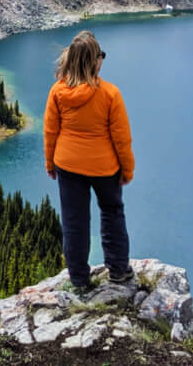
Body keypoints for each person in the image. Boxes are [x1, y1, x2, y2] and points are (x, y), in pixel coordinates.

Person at [43, 29, 134, 293]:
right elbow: (121, 138)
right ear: (94, 60)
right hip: (104, 167)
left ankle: (79, 280)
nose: (102, 60)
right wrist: (127, 169)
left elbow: (50, 132)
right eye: (101, 56)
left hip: (68, 166)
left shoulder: (58, 92)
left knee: (74, 222)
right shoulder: (109, 94)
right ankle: (117, 270)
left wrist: (50, 164)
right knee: (112, 213)